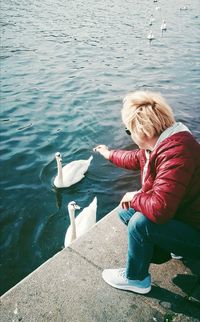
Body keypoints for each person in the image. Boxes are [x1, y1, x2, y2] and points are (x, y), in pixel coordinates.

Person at [94, 90, 200, 294]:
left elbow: (160, 209)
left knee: (139, 224)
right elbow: (134, 158)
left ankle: (136, 278)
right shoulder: (161, 144)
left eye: (129, 131)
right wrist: (108, 153)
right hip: (186, 217)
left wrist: (135, 196)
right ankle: (174, 247)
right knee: (125, 212)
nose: (130, 135)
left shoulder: (177, 154)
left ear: (143, 130)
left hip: (196, 230)